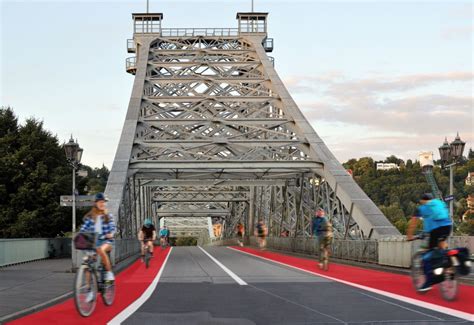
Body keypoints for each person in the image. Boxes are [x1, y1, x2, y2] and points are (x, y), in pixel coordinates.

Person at [407, 193, 453, 292]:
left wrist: (410, 236)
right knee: (442, 246)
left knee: (428, 255)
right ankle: (449, 267)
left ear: (422, 200)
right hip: (448, 226)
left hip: (435, 230)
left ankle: (428, 283)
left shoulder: (421, 208)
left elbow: (413, 223)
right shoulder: (439, 203)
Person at [79, 193, 115, 302]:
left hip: (107, 241)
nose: (102, 204)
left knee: (101, 249)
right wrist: (81, 236)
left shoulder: (108, 216)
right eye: (100, 202)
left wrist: (111, 233)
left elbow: (113, 228)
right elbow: (84, 229)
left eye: (103, 202)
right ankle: (89, 290)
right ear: (96, 204)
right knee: (88, 264)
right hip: (94, 243)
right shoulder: (90, 218)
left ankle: (109, 274)